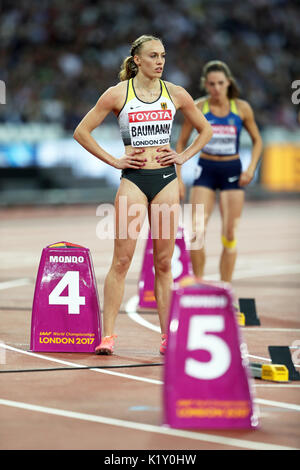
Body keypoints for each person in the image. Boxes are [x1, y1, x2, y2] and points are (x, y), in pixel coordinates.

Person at [73, 35, 213, 355]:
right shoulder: (118, 94)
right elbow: (81, 131)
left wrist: (183, 156)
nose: (160, 61)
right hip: (133, 181)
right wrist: (115, 161)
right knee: (121, 260)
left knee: (164, 263)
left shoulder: (176, 93)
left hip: (164, 181)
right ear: (137, 60)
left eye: (163, 55)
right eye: (153, 56)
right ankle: (107, 337)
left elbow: (205, 130)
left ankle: (167, 338)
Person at [176, 60, 263, 283]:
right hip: (206, 169)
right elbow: (181, 143)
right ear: (205, 84)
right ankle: (199, 285)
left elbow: (257, 141)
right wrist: (178, 177)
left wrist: (251, 168)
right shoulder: (198, 107)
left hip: (232, 170)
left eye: (220, 83)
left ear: (228, 83)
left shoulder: (241, 108)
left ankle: (226, 288)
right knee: (196, 233)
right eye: (212, 84)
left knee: (230, 233)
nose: (216, 88)